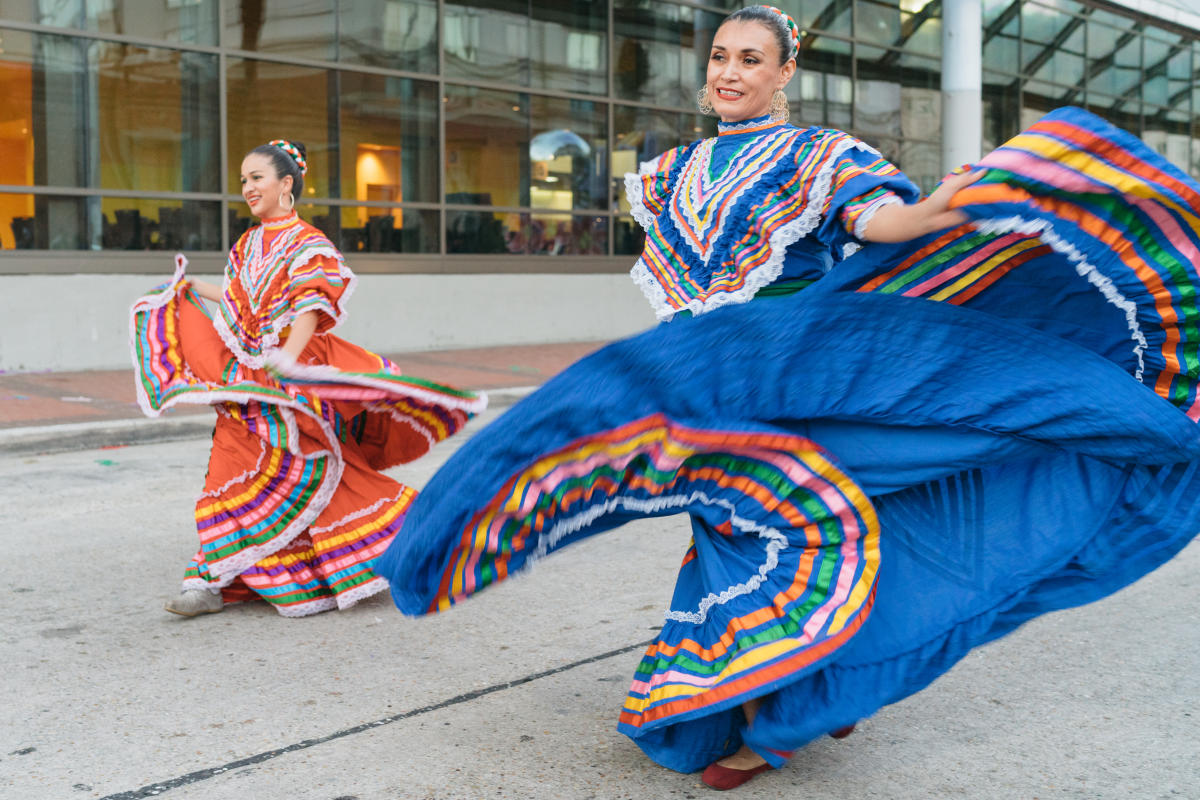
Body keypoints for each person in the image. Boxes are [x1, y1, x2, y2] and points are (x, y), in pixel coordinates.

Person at [376, 4, 1200, 792]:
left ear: (784, 73)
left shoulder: (816, 152)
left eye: (751, 60)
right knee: (726, 522)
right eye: (721, 58)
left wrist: (949, 205)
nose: (730, 73)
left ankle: (792, 710)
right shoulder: (670, 173)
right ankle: (804, 679)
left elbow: (878, 224)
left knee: (784, 523)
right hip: (711, 382)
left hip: (796, 373)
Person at [131, 139, 485, 618]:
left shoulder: (309, 243)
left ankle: (419, 545)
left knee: (316, 476)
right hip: (251, 377)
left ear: (286, 183)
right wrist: (192, 288)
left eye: (256, 178)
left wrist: (290, 360)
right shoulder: (248, 244)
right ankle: (210, 582)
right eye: (243, 181)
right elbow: (240, 300)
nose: (248, 188)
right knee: (226, 469)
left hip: (295, 376)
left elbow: (309, 306)